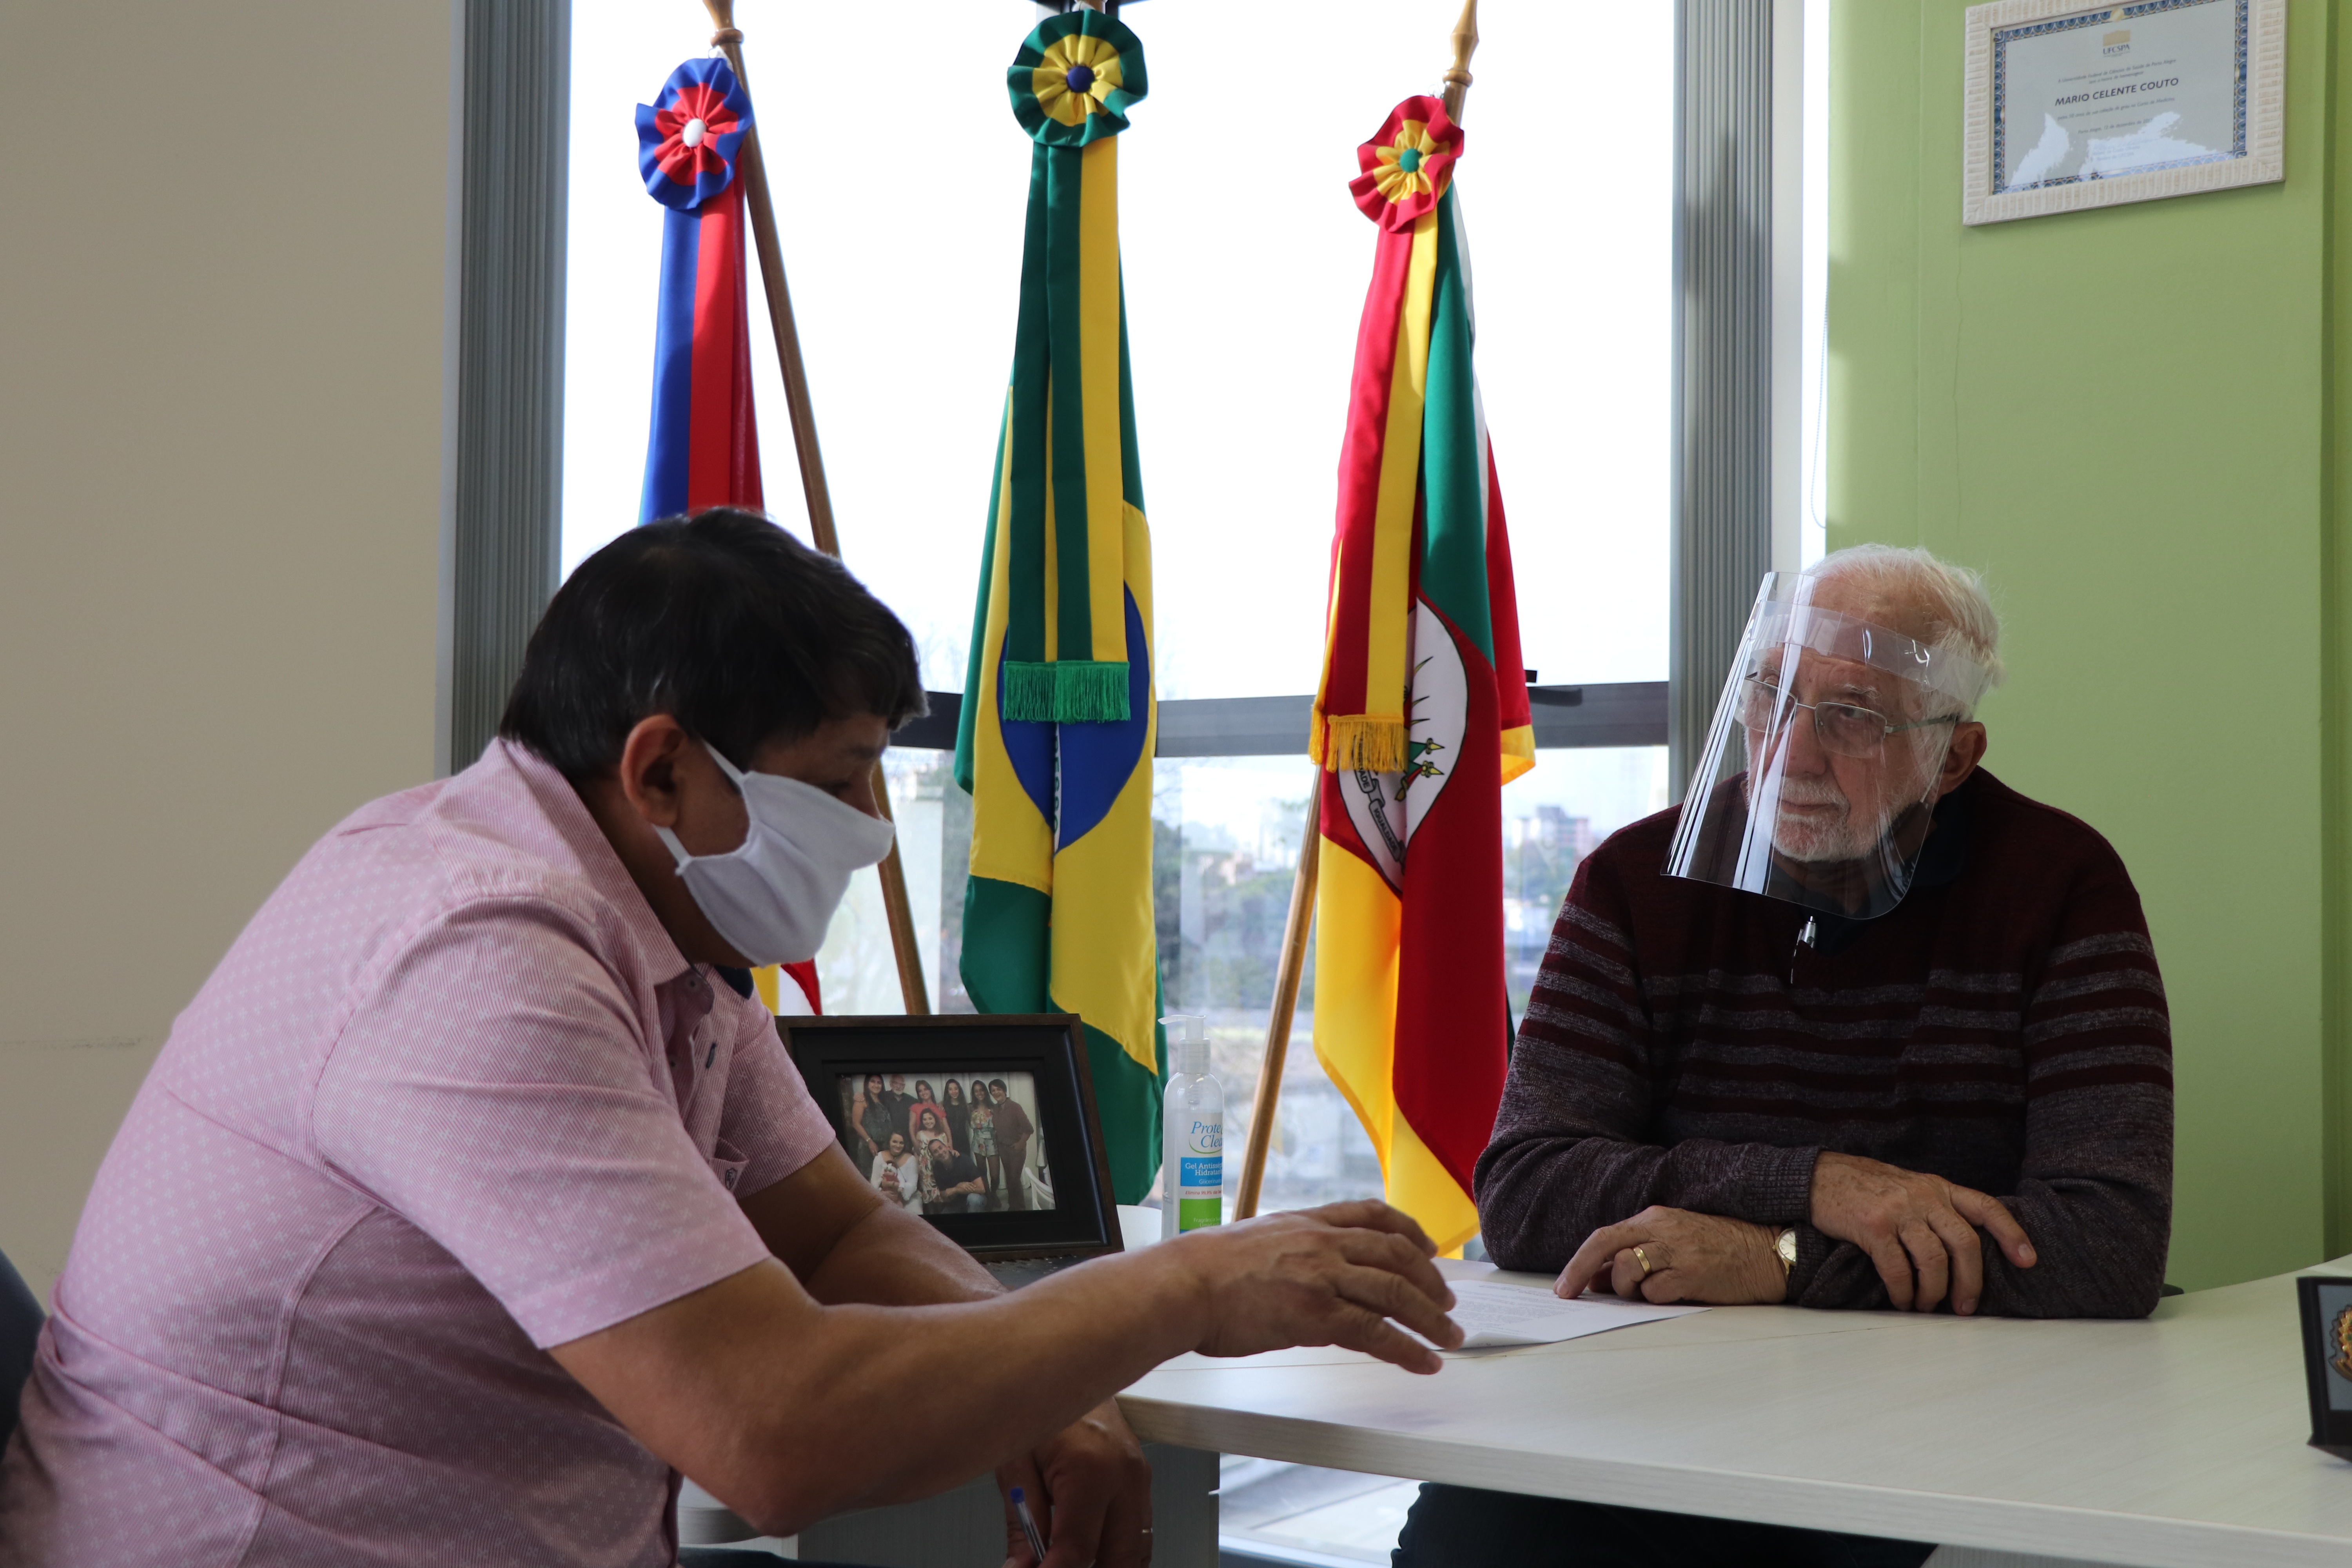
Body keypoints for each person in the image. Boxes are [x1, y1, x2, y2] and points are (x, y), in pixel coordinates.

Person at [0, 509, 1465, 1568]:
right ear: (659, 767)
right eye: (841, 780)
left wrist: (1064, 1380)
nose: (879, 834)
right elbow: (771, 1433)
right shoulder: (472, 954)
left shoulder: (653, 931)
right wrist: (1179, 1287)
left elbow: (831, 1234)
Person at [1395, 545, 2173, 1568]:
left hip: (1935, 1425)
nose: (1791, 755)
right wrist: (1816, 1186)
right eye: (1770, 698)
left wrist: (1779, 1261)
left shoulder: (2062, 887)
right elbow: (1528, 1185)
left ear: (1953, 756)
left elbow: (2108, 1242)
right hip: (1637, 1410)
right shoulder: (1634, 883)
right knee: (1467, 1544)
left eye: (1852, 716)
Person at [989, 1080, 1036, 1214]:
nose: (996, 1092)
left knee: (1015, 1179)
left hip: (1016, 1148)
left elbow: (1029, 1129)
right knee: (1009, 1179)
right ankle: (1013, 1206)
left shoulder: (1015, 1107)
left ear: (1004, 1090)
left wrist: (1021, 1144)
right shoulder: (995, 1109)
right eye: (993, 1091)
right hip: (1003, 1149)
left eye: (999, 1089)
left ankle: (1021, 1208)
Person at [926, 1137, 990, 1214]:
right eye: (936, 1152)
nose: (940, 1152)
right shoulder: (937, 1168)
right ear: (934, 1157)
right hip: (955, 1204)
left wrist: (955, 1190)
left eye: (941, 1148)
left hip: (974, 1198)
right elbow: (945, 1196)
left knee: (974, 1199)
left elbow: (982, 1189)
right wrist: (957, 1189)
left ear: (947, 1147)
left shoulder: (964, 1160)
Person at [871, 1131, 921, 1214]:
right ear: (889, 1142)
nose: (898, 1146)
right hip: (884, 1196)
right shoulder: (879, 1156)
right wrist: (883, 1194)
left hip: (908, 1198)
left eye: (901, 1143)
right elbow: (874, 1183)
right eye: (895, 1142)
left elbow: (913, 1186)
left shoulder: (911, 1159)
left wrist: (897, 1186)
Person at [851, 1072, 893, 1168]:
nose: (876, 1085)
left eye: (879, 1083)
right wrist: (870, 1141)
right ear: (867, 1084)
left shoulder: (884, 1100)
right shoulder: (861, 1100)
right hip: (869, 1147)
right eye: (873, 1082)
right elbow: (856, 1124)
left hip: (885, 1146)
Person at [969, 1096, 1001, 1209]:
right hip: (978, 1142)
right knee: (983, 1172)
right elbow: (956, 1105)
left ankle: (994, 1193)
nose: (979, 1094)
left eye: (982, 1090)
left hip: (992, 1141)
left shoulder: (993, 1107)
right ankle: (988, 1197)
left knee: (995, 1175)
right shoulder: (971, 1107)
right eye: (976, 1091)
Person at [942, 1077, 971, 1155]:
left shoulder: (965, 1106)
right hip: (950, 1141)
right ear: (947, 1092)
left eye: (956, 1089)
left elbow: (972, 1123)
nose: (954, 1092)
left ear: (959, 1090)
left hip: (964, 1140)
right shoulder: (944, 1106)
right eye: (951, 1089)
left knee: (966, 1164)